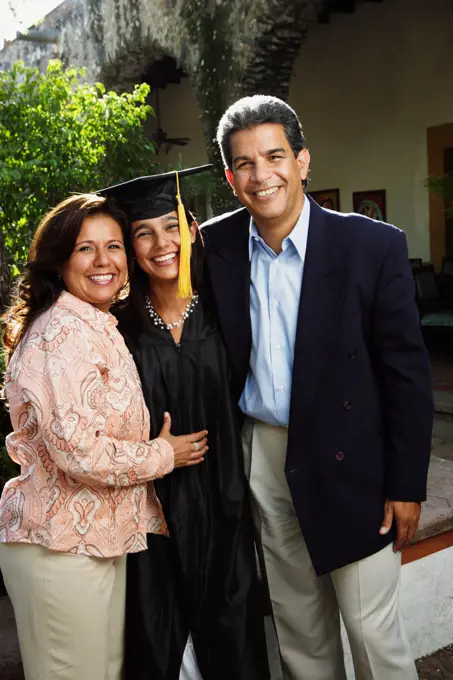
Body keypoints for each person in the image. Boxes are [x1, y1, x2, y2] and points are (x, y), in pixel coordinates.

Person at [200, 95, 434, 680]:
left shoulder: (371, 246)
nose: (262, 175)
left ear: (303, 160)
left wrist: (406, 481)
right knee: (299, 627)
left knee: (370, 631)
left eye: (274, 156)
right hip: (266, 454)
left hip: (351, 454)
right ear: (231, 179)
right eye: (245, 164)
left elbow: (406, 374)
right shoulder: (213, 247)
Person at [0, 194, 208, 680]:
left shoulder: (95, 323)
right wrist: (163, 454)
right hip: (58, 546)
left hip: (96, 541)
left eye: (113, 246)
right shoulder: (61, 334)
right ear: (59, 260)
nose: (103, 262)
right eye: (85, 249)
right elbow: (79, 451)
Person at [100, 166, 270, 680]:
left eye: (171, 226)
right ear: (131, 248)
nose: (161, 244)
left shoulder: (229, 309)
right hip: (152, 503)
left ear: (192, 229)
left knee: (233, 620)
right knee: (156, 625)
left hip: (227, 496)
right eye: (143, 233)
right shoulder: (117, 326)